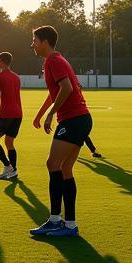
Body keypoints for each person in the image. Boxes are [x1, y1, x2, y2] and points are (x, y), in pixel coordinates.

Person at [28, 25, 91, 238]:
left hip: (73, 119)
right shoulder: (54, 61)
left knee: (52, 164)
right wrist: (40, 114)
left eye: (34, 40)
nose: (32, 45)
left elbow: (67, 88)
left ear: (45, 42)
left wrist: (50, 114)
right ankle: (70, 225)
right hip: (79, 120)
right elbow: (55, 92)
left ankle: (55, 220)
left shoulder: (54, 61)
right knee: (64, 169)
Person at [0, 51, 22, 180]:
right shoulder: (16, 77)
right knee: (9, 142)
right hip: (18, 114)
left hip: (6, 114)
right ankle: (12, 171)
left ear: (1, 61)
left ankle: (8, 166)